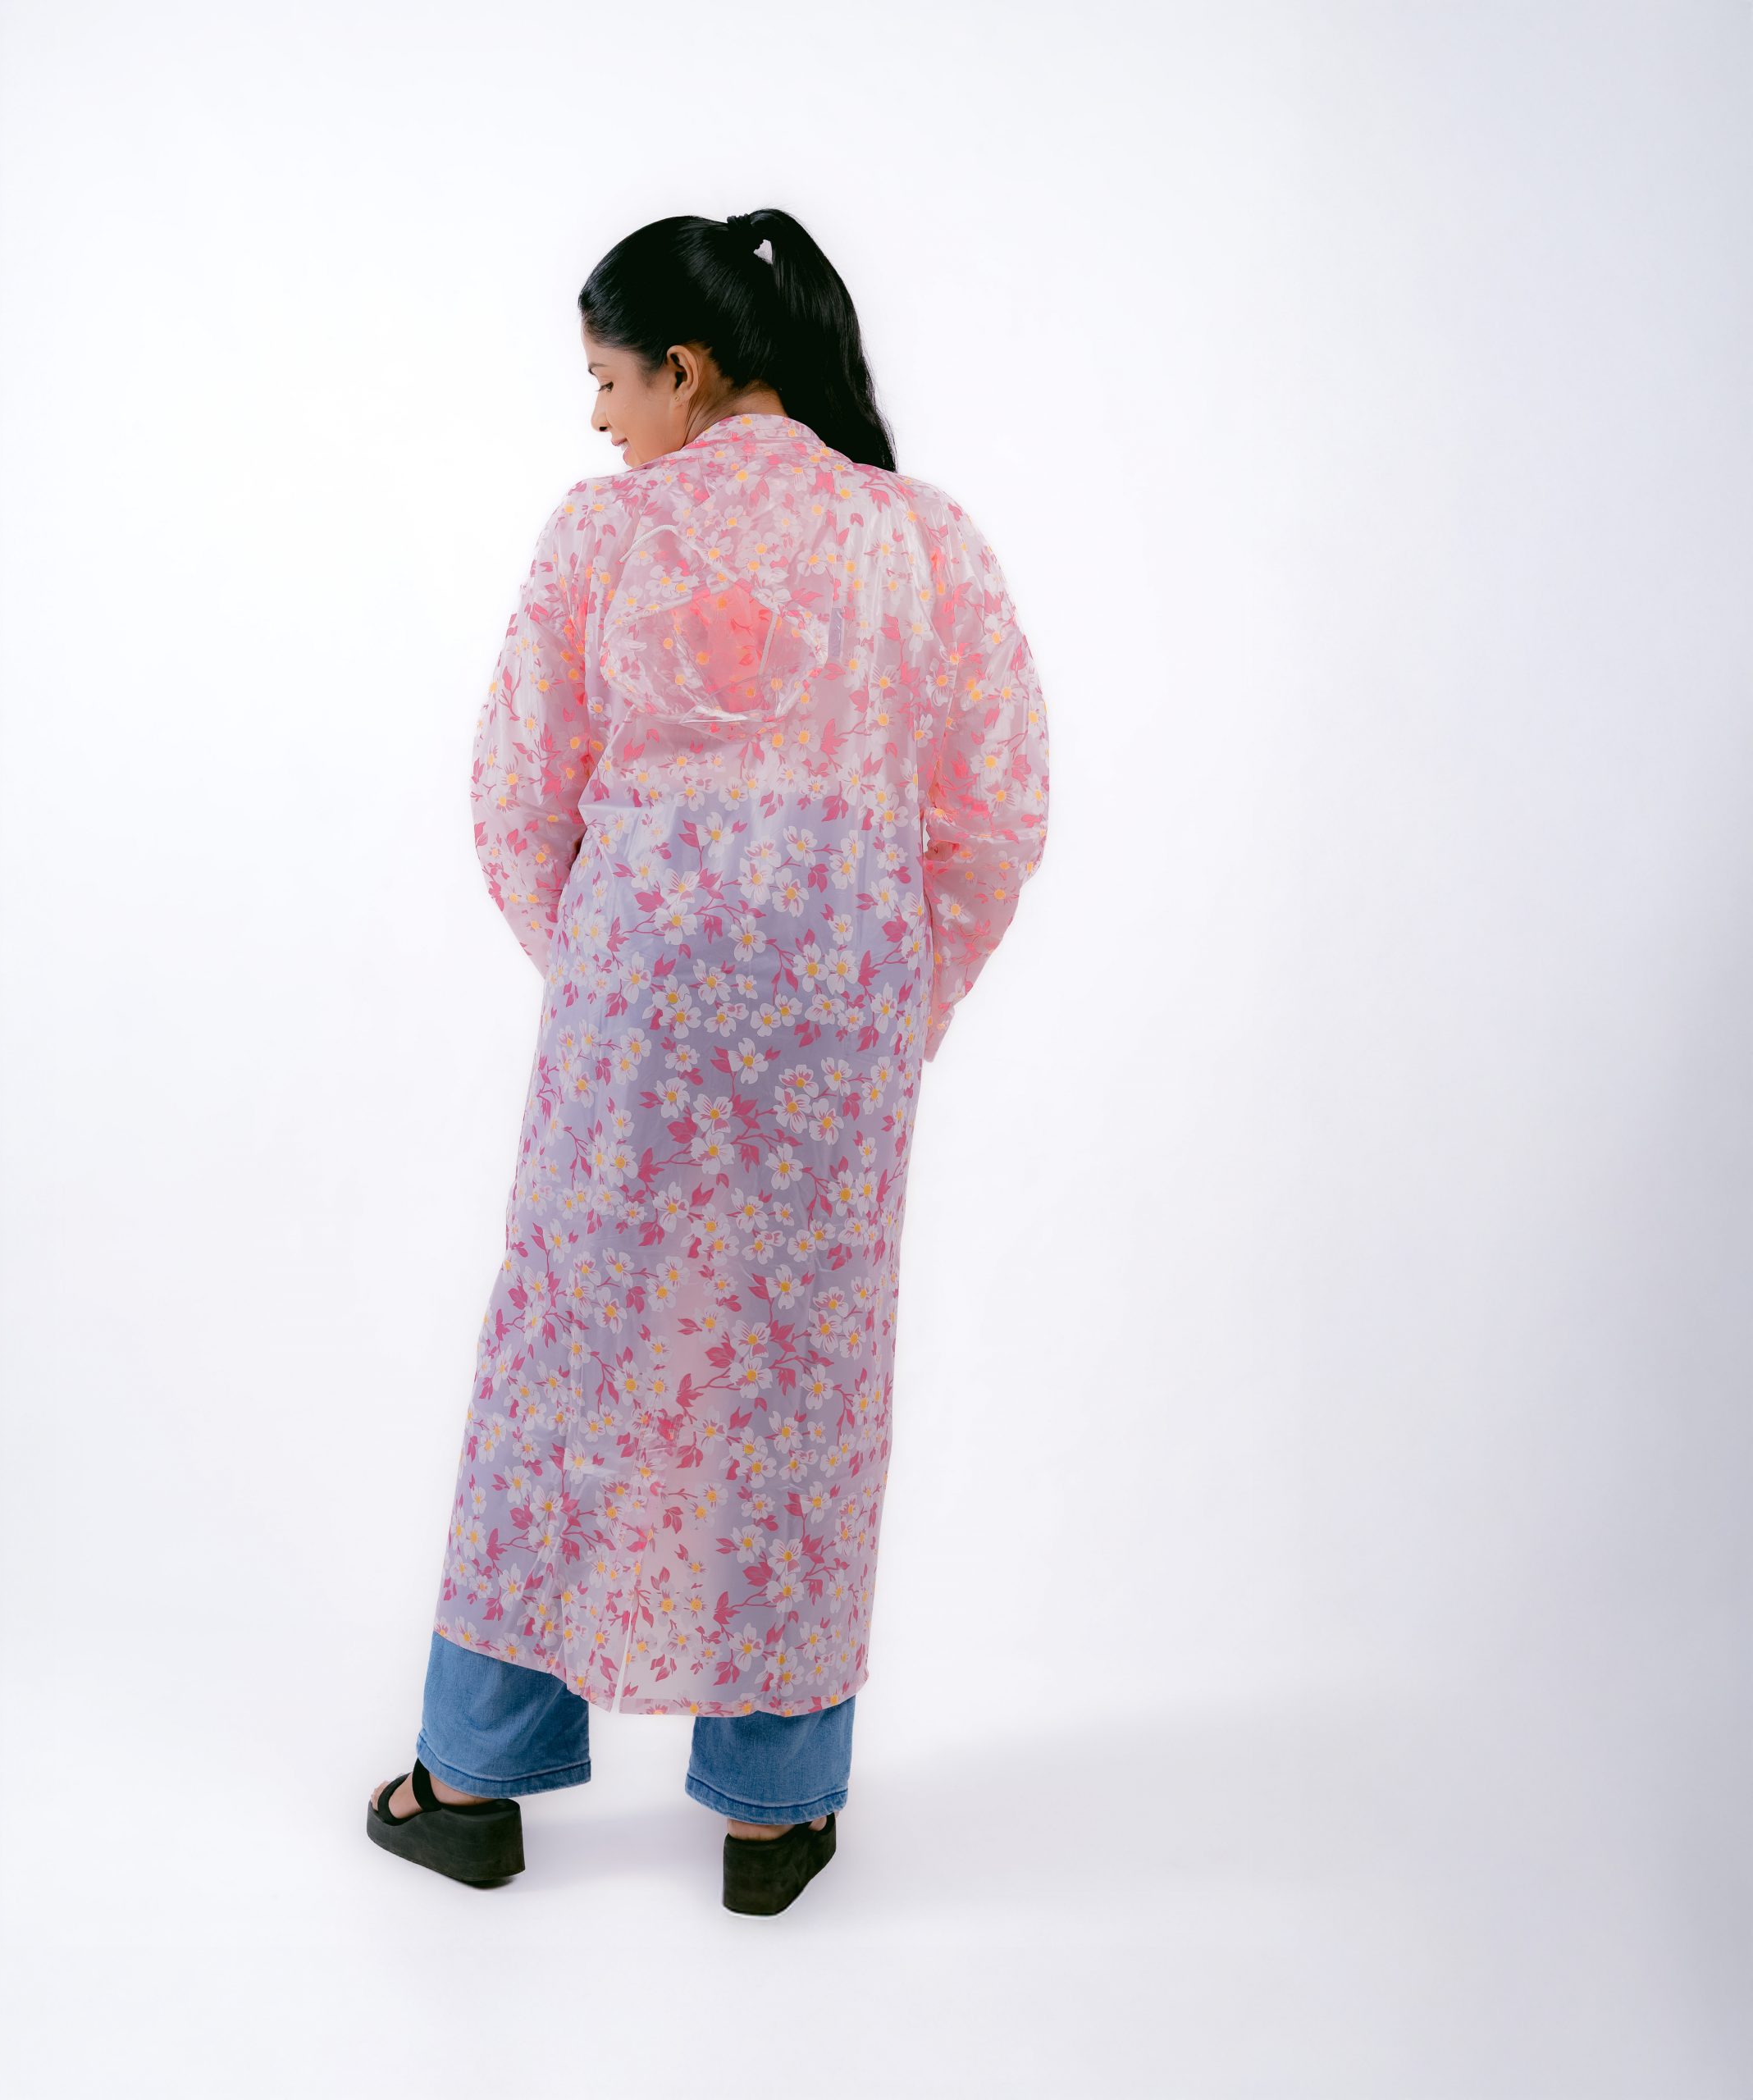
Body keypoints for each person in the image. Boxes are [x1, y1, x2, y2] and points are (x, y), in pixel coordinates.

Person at [368, 207, 1051, 1915]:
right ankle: (772, 1808)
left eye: (608, 380)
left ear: (683, 368)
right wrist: (890, 996)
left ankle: (469, 1779)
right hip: (836, 1034)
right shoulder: (917, 538)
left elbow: (517, 792)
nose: (598, 417)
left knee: (563, 1368)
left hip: (633, 1023)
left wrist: (611, 967)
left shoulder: (601, 536)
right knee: (802, 1385)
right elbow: (993, 809)